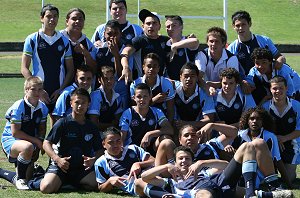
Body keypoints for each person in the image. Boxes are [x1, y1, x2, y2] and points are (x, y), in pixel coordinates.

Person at [137, 145, 293, 198]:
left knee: (248, 147)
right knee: (203, 194)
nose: (184, 161)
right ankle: (265, 195)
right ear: (175, 162)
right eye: (181, 159)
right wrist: (165, 167)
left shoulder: (204, 172)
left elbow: (225, 166)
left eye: (187, 159)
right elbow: (143, 177)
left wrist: (202, 162)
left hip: (218, 183)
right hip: (201, 192)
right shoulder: (172, 182)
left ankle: (251, 194)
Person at [40, 88, 102, 193]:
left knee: (96, 185)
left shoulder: (91, 127)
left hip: (81, 168)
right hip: (62, 166)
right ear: (71, 103)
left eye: (84, 103)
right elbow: (46, 143)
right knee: (46, 188)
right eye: (77, 102)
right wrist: (57, 159)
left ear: (89, 104)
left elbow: (99, 150)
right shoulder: (62, 123)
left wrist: (93, 160)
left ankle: (68, 183)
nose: (80, 106)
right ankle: (39, 177)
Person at [21, 4, 74, 116]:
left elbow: (70, 69)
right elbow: (24, 68)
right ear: (41, 18)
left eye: (55, 16)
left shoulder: (64, 41)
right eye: (48, 16)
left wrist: (61, 89)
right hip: (38, 92)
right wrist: (37, 89)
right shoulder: (32, 39)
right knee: (37, 125)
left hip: (58, 91)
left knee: (57, 125)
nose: (52, 19)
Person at [1, 76, 48, 190]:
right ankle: (20, 179)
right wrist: (36, 142)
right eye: (33, 89)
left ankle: (3, 173)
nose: (37, 92)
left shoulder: (43, 108)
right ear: (26, 90)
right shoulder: (19, 106)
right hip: (11, 140)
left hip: (29, 142)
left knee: (30, 179)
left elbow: (42, 129)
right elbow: (15, 132)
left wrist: (39, 143)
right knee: (27, 147)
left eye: (40, 89)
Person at [231, 106, 291, 188]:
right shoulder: (240, 135)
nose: (254, 121)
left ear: (263, 121)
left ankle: (271, 185)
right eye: (251, 119)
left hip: (263, 173)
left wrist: (289, 184)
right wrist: (228, 147)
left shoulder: (270, 137)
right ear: (247, 121)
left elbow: (277, 160)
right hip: (245, 169)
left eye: (258, 119)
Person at [95, 127, 154, 195]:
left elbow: (154, 161)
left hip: (152, 178)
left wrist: (138, 164)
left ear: (122, 141)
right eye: (111, 142)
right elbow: (101, 188)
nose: (115, 145)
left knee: (166, 143)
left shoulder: (134, 149)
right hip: (137, 188)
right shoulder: (101, 162)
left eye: (118, 141)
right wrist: (109, 181)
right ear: (103, 144)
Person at [262, 76, 300, 183]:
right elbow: (261, 129)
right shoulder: (265, 108)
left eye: (281, 88)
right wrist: (275, 139)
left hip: (291, 145)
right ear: (270, 89)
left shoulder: (297, 106)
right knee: (269, 178)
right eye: (274, 88)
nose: (278, 91)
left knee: (288, 179)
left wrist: (284, 138)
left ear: (286, 88)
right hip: (271, 145)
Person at [119, 83, 174, 156]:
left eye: (145, 96)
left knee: (166, 139)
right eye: (139, 97)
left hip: (151, 148)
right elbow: (122, 138)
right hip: (133, 151)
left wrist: (149, 134)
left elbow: (170, 129)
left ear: (150, 97)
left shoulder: (157, 111)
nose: (142, 99)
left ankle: (169, 162)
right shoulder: (128, 113)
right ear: (134, 98)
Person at [227, 10, 286, 75]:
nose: (240, 28)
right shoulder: (231, 49)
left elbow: (279, 56)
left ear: (249, 24)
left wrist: (280, 61)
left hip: (268, 80)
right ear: (233, 27)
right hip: (246, 83)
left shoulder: (264, 41)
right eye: (237, 25)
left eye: (243, 24)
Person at [120, 9, 170, 83]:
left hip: (160, 82)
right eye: (148, 23)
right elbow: (125, 52)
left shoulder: (165, 40)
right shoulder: (139, 40)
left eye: (154, 23)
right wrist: (126, 67)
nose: (151, 26)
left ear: (159, 26)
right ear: (143, 26)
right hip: (142, 83)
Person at [155, 124, 237, 166]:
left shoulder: (211, 145)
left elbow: (234, 133)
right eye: (186, 135)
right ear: (180, 140)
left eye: (193, 135)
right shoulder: (176, 155)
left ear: (198, 137)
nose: (190, 138)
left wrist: (212, 125)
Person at [95, 19, 132, 108]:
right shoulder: (98, 49)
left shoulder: (125, 50)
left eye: (115, 34)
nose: (112, 37)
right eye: (109, 34)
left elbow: (120, 75)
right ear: (104, 34)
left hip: (120, 92)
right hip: (101, 91)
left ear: (121, 34)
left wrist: (116, 54)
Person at [130, 53, 175, 122]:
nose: (151, 69)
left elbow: (170, 110)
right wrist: (153, 100)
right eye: (149, 66)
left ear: (158, 68)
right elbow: (135, 109)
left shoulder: (166, 84)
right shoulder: (135, 84)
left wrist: (168, 126)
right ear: (143, 67)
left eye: (154, 66)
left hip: (161, 118)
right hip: (141, 119)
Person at [173, 62, 215, 130]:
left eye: (192, 76)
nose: (189, 79)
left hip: (197, 128)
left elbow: (209, 119)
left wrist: (186, 124)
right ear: (180, 77)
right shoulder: (173, 87)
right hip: (176, 127)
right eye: (186, 76)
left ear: (197, 78)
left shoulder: (205, 93)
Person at [61, 8, 97, 74]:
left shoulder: (88, 44)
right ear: (67, 21)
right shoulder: (58, 38)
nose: (77, 21)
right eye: (74, 19)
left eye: (80, 19)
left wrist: (86, 54)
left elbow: (94, 70)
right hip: (59, 82)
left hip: (81, 83)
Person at [88, 66, 123, 131]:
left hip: (111, 133)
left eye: (111, 78)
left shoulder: (118, 97)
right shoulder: (95, 96)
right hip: (97, 134)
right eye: (105, 78)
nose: (109, 81)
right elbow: (93, 124)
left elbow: (118, 121)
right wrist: (111, 125)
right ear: (99, 80)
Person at [164, 15, 199, 80]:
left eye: (174, 25)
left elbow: (195, 41)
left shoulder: (187, 41)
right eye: (168, 26)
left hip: (187, 83)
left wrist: (175, 46)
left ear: (181, 27)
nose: (170, 29)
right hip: (171, 83)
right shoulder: (165, 43)